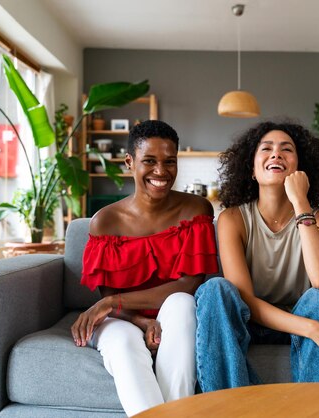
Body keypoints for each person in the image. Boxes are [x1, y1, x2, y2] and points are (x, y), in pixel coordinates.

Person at [70, 120, 218, 417]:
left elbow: (189, 284)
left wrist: (112, 301)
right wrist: (139, 321)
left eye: (169, 162)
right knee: (124, 342)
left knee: (182, 303)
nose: (161, 171)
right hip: (121, 320)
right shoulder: (105, 221)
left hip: (173, 315)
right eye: (149, 161)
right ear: (129, 162)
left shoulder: (196, 210)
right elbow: (109, 299)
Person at [195, 120, 319, 391]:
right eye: (266, 148)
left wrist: (300, 202)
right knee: (215, 290)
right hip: (253, 323)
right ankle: (230, 409)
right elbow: (244, 299)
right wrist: (315, 330)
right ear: (252, 169)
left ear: (300, 168)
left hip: (305, 315)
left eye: (287, 149)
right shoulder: (232, 219)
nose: (276, 154)